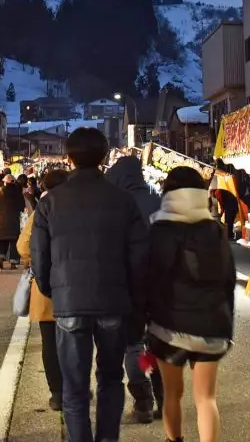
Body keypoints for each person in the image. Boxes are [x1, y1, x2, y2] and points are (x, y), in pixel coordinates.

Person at [32, 127, 148, 442]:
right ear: (103, 158)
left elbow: (39, 260)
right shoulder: (123, 200)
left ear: (69, 158)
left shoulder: (50, 202)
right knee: (110, 379)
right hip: (113, 301)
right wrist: (135, 301)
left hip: (68, 301)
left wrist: (53, 290)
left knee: (74, 384)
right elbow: (139, 258)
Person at [145, 166, 236, 442]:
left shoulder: (158, 228)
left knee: (172, 394)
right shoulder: (214, 228)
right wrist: (226, 320)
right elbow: (228, 279)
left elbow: (149, 278)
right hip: (211, 325)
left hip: (167, 327)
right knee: (206, 398)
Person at [107, 154, 165, 423]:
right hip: (160, 285)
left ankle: (143, 401)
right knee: (159, 344)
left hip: (127, 285)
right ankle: (165, 401)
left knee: (133, 345)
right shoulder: (158, 201)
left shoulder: (116, 204)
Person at [17, 166, 69, 410]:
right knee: (73, 340)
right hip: (74, 285)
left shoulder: (40, 211)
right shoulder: (76, 207)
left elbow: (23, 246)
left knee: (49, 341)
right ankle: (74, 388)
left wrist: (36, 259)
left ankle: (57, 393)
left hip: (46, 284)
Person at [0, 173, 26, 268]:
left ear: (5, 182)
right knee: (14, 242)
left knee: (2, 241)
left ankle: (0, 258)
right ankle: (13, 263)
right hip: (14, 221)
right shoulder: (18, 193)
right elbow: (22, 206)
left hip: (3, 221)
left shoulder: (0, 193)